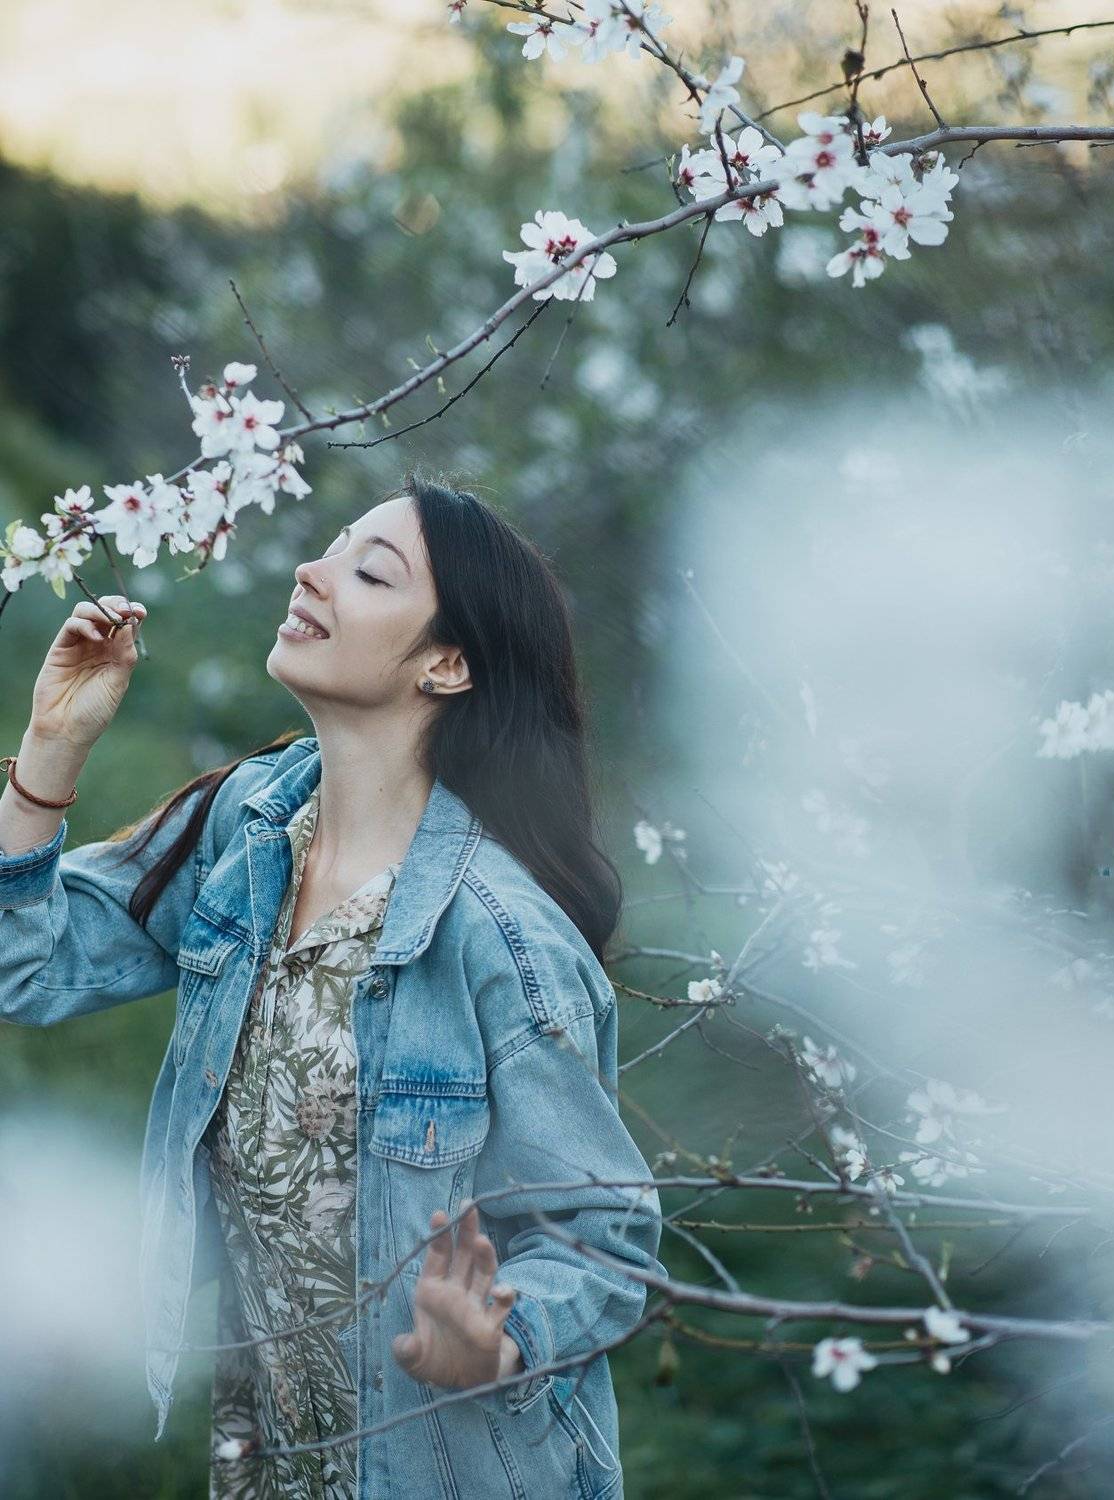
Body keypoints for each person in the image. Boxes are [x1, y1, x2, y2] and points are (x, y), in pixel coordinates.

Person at [0, 468, 664, 1499]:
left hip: (457, 1470)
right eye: (332, 547)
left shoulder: (502, 939)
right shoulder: (249, 829)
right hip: (272, 1469)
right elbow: (27, 967)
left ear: (446, 663)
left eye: (370, 570)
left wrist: (495, 1339)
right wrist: (51, 750)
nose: (312, 570)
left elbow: (608, 1237)